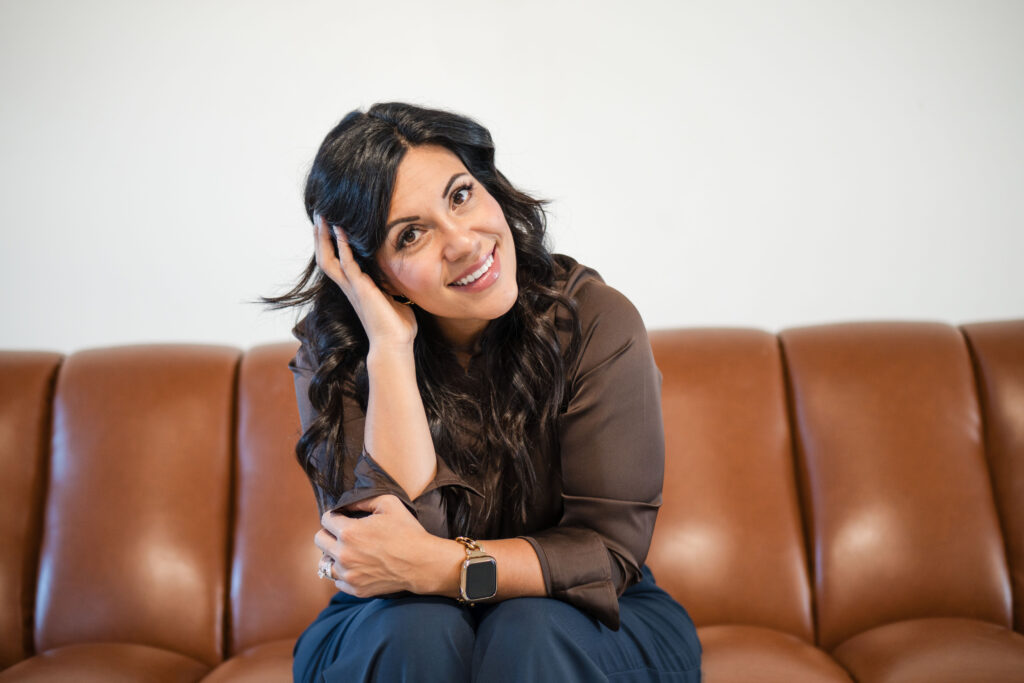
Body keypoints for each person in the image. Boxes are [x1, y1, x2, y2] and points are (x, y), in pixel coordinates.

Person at [265, 102, 702, 682]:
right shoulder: (343, 353)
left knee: (529, 628)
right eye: (411, 235)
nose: (464, 242)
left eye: (460, 195)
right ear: (370, 272)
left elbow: (606, 554)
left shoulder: (594, 321)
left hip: (592, 619)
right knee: (417, 628)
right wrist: (390, 349)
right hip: (385, 622)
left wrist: (445, 567)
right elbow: (385, 550)